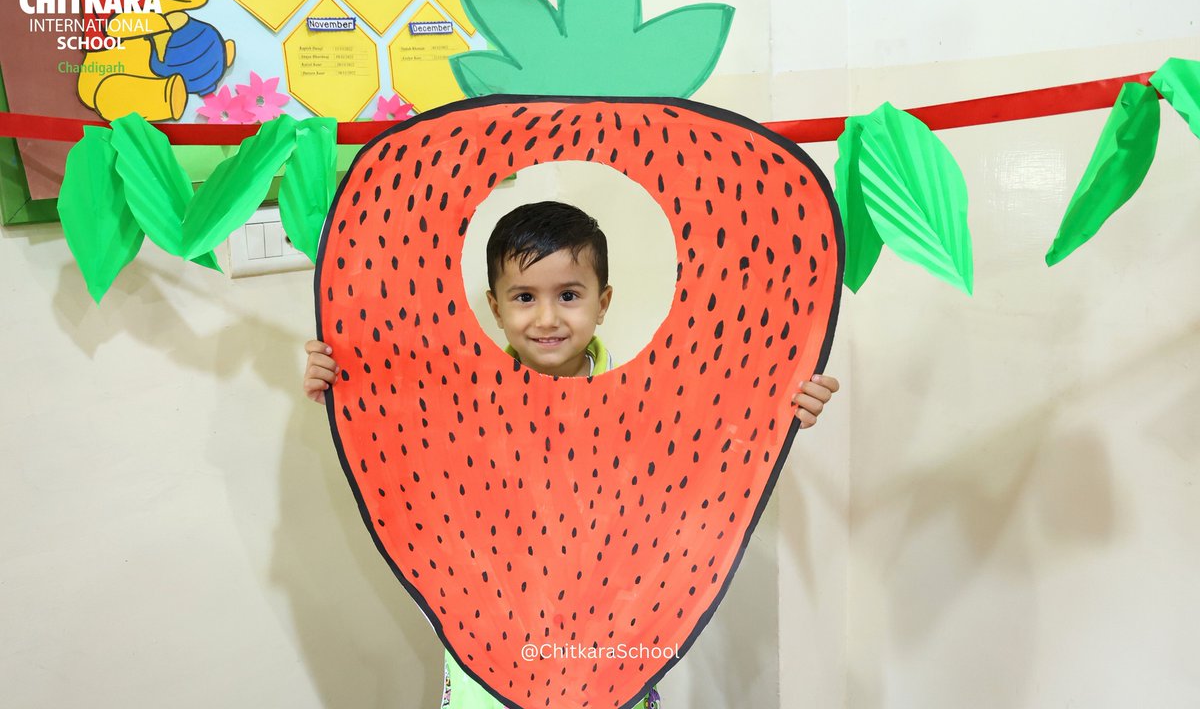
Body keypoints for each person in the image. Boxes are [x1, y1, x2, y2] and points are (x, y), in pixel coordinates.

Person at [303, 201, 841, 708]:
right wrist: (343, 383)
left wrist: (785, 409)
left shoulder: (648, 405)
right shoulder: (459, 404)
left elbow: (713, 453)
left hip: (611, 644)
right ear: (494, 307)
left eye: (568, 295)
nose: (546, 319)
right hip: (491, 642)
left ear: (601, 303)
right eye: (523, 298)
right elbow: (398, 439)